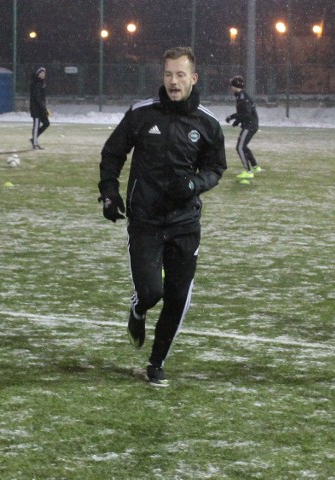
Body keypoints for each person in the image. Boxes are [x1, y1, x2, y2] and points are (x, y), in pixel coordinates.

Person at [98, 46, 226, 387]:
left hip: (185, 223)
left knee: (178, 296)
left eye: (181, 74)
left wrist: (195, 183)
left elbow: (216, 168)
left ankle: (157, 363)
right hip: (145, 220)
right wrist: (109, 192)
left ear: (193, 78)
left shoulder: (208, 124)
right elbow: (113, 153)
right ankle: (139, 309)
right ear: (163, 77)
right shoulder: (141, 114)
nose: (174, 81)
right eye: (169, 74)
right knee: (152, 291)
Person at [226, 75, 261, 184]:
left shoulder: (242, 98)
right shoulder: (240, 96)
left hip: (249, 125)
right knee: (243, 146)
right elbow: (244, 113)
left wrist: (233, 118)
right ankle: (255, 166)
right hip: (250, 124)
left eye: (232, 85)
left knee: (240, 147)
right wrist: (236, 120)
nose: (231, 87)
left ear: (235, 86)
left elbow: (246, 113)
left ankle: (248, 171)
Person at [29, 66, 49, 149]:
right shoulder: (36, 83)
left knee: (46, 123)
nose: (43, 74)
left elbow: (41, 98)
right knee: (36, 125)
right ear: (38, 74)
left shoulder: (42, 83)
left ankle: (34, 138)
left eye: (44, 73)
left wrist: (44, 107)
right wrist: (43, 107)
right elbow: (37, 98)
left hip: (41, 108)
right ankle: (35, 144)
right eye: (41, 73)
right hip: (36, 109)